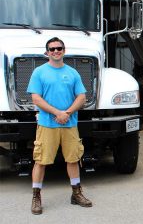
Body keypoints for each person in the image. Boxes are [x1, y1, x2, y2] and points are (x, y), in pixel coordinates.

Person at [27, 37, 92, 215]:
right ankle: (36, 197)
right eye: (52, 49)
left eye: (59, 48)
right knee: (41, 161)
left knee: (73, 159)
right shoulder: (39, 72)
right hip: (47, 124)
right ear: (46, 52)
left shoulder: (73, 73)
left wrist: (67, 113)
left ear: (64, 50)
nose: (56, 51)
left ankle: (76, 193)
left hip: (69, 124)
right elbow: (36, 98)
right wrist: (58, 113)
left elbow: (81, 97)